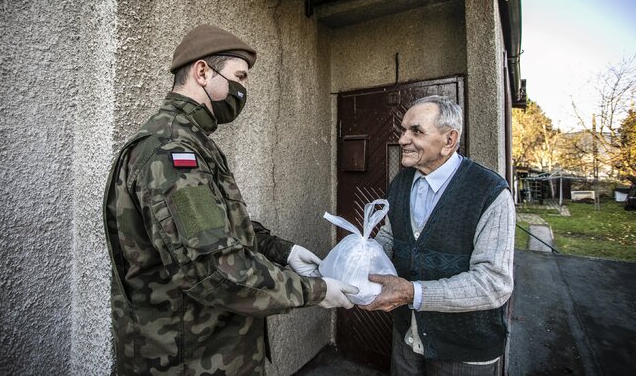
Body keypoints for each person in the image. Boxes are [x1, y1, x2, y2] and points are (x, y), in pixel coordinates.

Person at [103, 24, 358, 375]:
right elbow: (216, 269)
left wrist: (283, 251)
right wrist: (315, 291)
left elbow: (216, 227)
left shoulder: (191, 142)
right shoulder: (172, 152)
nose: (242, 90)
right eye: (239, 76)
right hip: (190, 361)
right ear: (203, 71)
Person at [362, 95, 515, 376]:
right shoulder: (402, 181)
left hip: (463, 350)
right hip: (407, 338)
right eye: (403, 130)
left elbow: (494, 283)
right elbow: (389, 237)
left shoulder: (490, 192)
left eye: (416, 131)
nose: (403, 139)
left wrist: (414, 292)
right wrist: (359, 259)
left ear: (449, 140)